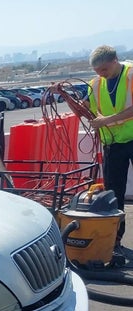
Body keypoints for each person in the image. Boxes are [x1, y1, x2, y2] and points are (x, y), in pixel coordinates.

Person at [86, 45, 133, 250]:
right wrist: (62, 93)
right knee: (114, 194)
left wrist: (107, 121)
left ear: (115, 61)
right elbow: (85, 108)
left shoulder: (131, 74)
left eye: (104, 70)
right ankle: (114, 239)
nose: (101, 75)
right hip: (113, 144)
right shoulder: (95, 83)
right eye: (97, 72)